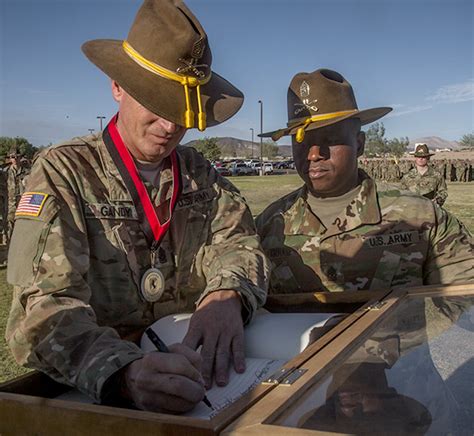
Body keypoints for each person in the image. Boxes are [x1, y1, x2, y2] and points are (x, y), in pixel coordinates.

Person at [6, 0, 268, 413]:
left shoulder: (198, 171)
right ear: (117, 86)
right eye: (158, 106)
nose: (170, 127)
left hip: (194, 375)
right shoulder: (65, 172)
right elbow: (43, 311)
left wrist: (228, 294)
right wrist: (123, 372)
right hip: (109, 397)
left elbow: (239, 241)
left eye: (182, 111)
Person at [256, 68, 473, 294]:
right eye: (301, 143)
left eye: (329, 139)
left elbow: (464, 301)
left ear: (359, 144)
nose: (313, 154)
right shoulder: (268, 225)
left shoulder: (423, 218)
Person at [6, 151, 29, 239]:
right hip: (9, 202)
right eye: (12, 157)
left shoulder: (27, 172)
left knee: (23, 222)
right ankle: (8, 244)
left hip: (23, 201)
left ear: (20, 158)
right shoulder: (6, 172)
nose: (15, 159)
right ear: (10, 158)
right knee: (9, 223)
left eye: (17, 157)